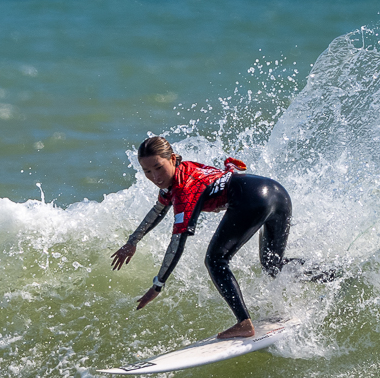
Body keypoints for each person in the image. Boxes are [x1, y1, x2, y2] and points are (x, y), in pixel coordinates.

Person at [110, 136, 293, 339]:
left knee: (215, 260)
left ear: (172, 159)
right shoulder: (184, 170)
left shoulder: (185, 190)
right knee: (272, 264)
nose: (155, 177)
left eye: (158, 167)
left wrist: (158, 285)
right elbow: (158, 209)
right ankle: (322, 273)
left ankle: (244, 323)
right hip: (277, 193)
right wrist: (132, 241)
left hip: (253, 199)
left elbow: (177, 243)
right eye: (147, 172)